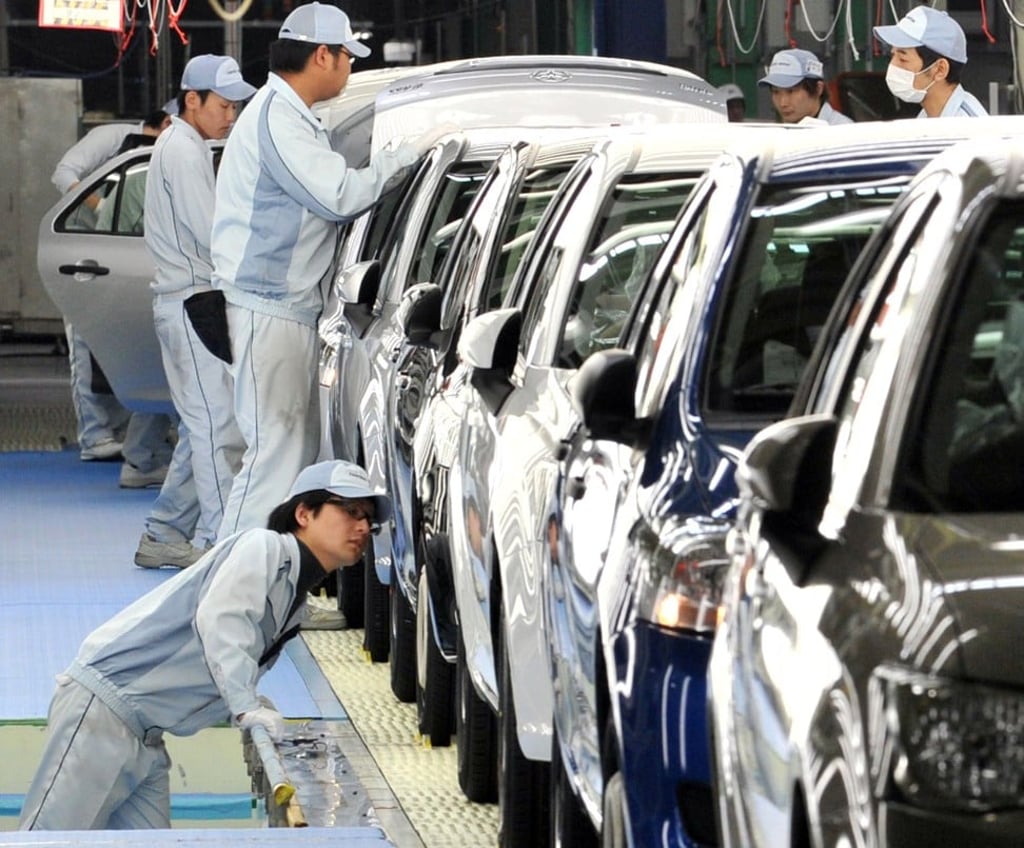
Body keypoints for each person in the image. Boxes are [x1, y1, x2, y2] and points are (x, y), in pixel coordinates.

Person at [18, 459, 389, 831]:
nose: (362, 527)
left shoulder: (292, 603)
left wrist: (245, 704)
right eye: (350, 511)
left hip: (146, 735)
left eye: (369, 520)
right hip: (103, 714)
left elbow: (217, 660)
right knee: (49, 840)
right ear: (304, 513)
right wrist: (244, 706)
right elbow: (221, 622)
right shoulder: (263, 548)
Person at [211, 2, 454, 540]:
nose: (350, 66)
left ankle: (266, 579)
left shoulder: (292, 116)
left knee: (286, 455)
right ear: (322, 55)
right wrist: (403, 156)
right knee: (273, 458)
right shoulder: (278, 118)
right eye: (347, 55)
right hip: (267, 309)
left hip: (281, 309)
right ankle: (231, 580)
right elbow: (339, 195)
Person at [134, 55, 255, 570]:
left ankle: (164, 533)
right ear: (192, 100)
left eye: (235, 107)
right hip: (193, 301)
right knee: (215, 427)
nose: (231, 116)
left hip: (186, 300)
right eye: (223, 105)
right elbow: (211, 234)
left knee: (199, 423)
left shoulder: (185, 145)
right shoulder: (183, 150)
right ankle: (222, 546)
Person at [52, 109, 177, 484]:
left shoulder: (160, 157)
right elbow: (62, 174)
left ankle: (127, 437)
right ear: (166, 122)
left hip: (123, 254)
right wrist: (101, 206)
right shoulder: (112, 138)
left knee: (127, 353)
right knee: (85, 350)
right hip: (86, 252)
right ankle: (94, 437)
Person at [873, 5, 987, 118]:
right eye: (892, 56)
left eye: (903, 59)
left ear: (940, 69)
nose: (893, 65)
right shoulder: (929, 115)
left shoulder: (968, 124)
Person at [759, 48, 853, 125]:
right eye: (776, 92)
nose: (783, 103)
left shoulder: (843, 131)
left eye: (791, 91)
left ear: (818, 89)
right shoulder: (777, 133)